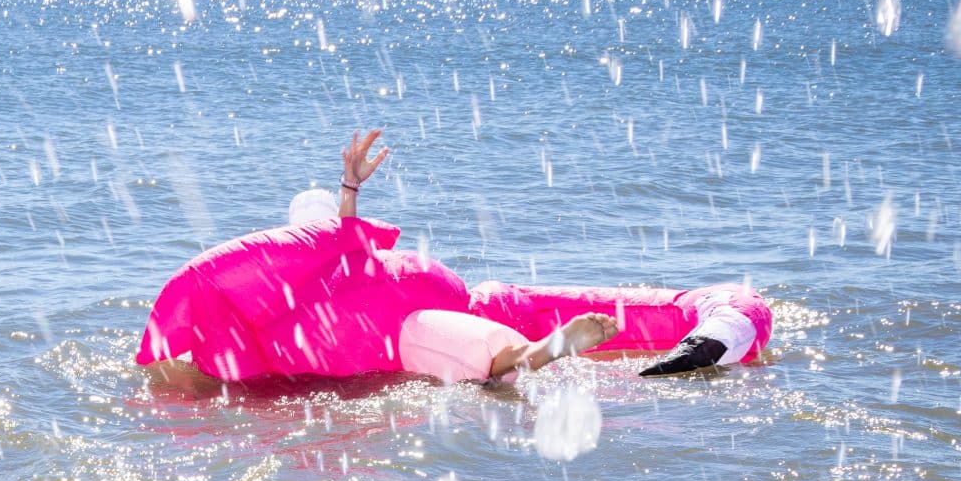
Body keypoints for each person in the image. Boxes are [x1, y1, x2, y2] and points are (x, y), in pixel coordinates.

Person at [138, 129, 769, 391]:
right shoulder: (325, 293)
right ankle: (558, 347)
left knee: (510, 337)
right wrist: (351, 194)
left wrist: (349, 195)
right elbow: (343, 243)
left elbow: (342, 243)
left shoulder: (313, 287)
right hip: (428, 319)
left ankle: (699, 330)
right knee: (504, 348)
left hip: (447, 307)